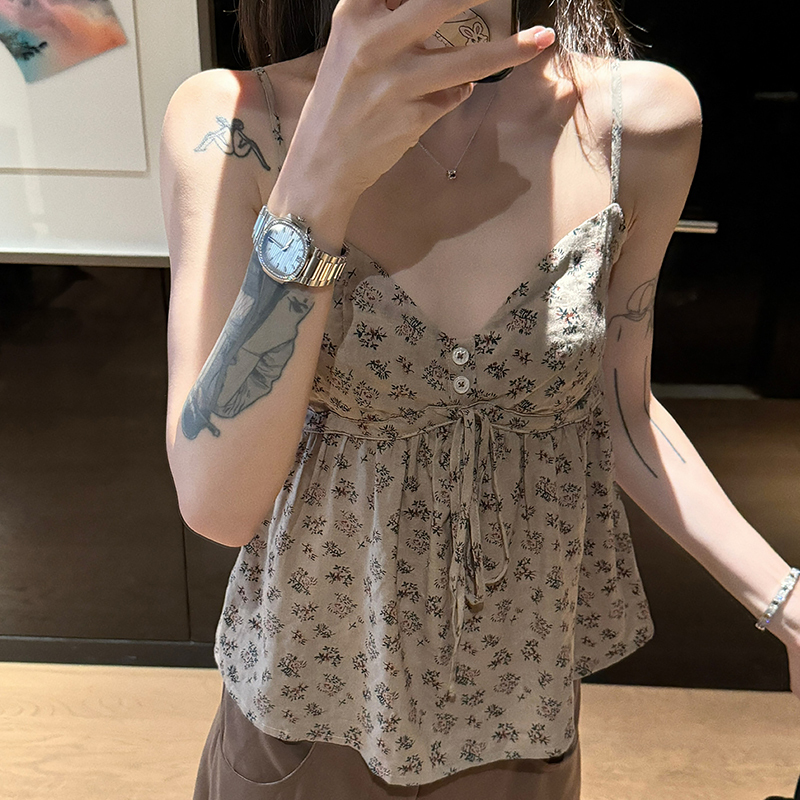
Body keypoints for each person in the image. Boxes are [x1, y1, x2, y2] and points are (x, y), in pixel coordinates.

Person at [159, 0, 800, 797]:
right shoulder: (234, 122)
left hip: (519, 715)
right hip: (308, 705)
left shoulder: (637, 122)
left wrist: (786, 602)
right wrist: (318, 180)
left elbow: (618, 407)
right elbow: (216, 504)